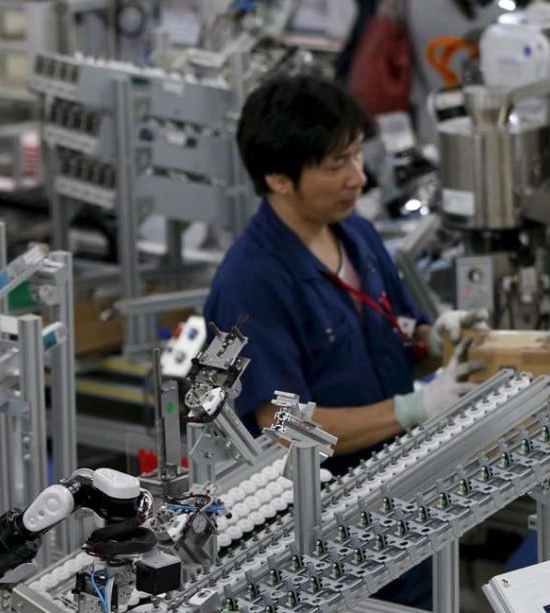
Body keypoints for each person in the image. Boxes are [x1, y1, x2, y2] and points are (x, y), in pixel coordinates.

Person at [204, 74, 487, 480]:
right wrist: (411, 409)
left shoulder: (358, 235)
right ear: (278, 179)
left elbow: (398, 343)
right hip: (322, 497)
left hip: (398, 470)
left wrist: (441, 343)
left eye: (356, 155)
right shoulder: (248, 284)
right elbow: (282, 429)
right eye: (337, 165)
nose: (359, 177)